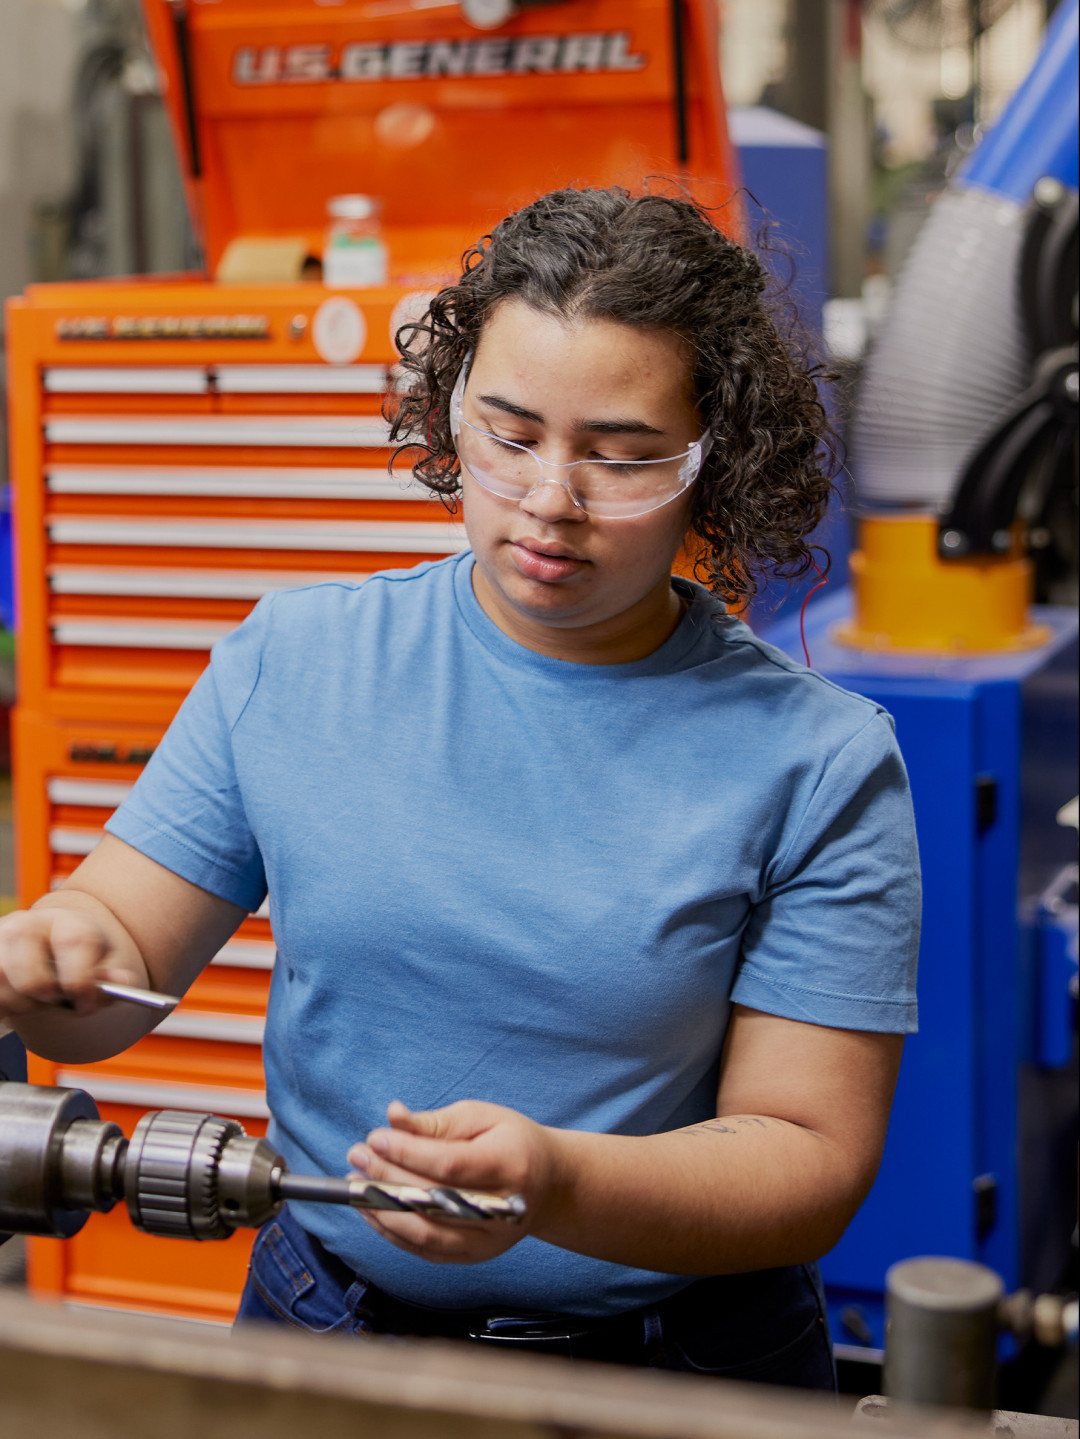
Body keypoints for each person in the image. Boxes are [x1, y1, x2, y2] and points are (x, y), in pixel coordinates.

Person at [0, 188, 919, 1389]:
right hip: (327, 1331)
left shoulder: (818, 759)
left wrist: (557, 1182)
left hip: (677, 1366)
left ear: (716, 461)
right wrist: (54, 951)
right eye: (509, 433)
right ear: (450, 412)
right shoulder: (300, 659)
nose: (550, 499)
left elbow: (806, 1159)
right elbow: (117, 963)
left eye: (623, 455)